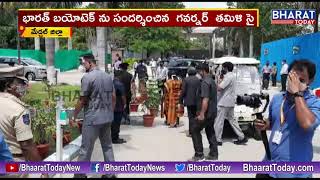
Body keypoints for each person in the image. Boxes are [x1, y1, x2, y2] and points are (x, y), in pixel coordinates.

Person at [254, 59, 320, 178]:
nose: (294, 83)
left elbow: (307, 124)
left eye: (301, 80)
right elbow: (274, 122)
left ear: (310, 81)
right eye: (292, 78)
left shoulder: (314, 103)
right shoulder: (278, 99)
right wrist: (265, 124)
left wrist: (297, 93)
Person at [71, 54, 116, 178]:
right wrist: (110, 113)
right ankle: (111, 174)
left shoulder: (87, 78)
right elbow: (113, 97)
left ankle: (80, 175)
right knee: (107, 146)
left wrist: (74, 115)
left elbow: (82, 100)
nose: (82, 65)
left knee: (86, 148)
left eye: (83, 63)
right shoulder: (108, 76)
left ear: (90, 62)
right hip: (107, 117)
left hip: (93, 119)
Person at [0, 65, 48, 178]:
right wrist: (42, 171)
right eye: (21, 83)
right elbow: (26, 145)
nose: (25, 86)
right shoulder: (19, 110)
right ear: (9, 86)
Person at [190, 63, 218, 161]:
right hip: (213, 111)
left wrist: (202, 114)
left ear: (203, 71)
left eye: (199, 71)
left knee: (194, 129)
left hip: (206, 113)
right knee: (210, 130)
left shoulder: (205, 82)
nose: (198, 73)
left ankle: (199, 154)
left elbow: (205, 99)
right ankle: (214, 154)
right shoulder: (212, 80)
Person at [215, 62, 248, 146]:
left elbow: (219, 87)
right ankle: (242, 137)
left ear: (226, 68)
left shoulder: (228, 77)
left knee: (219, 121)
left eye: (223, 68)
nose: (222, 69)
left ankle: (217, 139)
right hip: (230, 102)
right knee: (232, 120)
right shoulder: (233, 76)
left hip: (223, 102)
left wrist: (217, 82)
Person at [179, 67, 201, 137]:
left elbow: (183, 91)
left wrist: (180, 100)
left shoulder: (186, 80)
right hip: (197, 101)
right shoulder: (198, 80)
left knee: (191, 117)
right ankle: (196, 130)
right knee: (196, 116)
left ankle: (192, 132)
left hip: (189, 101)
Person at [112, 71, 127, 144]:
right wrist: (125, 104)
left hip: (110, 107)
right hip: (118, 106)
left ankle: (112, 137)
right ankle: (115, 138)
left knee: (112, 123)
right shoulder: (120, 85)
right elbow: (123, 96)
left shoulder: (110, 83)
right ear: (120, 76)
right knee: (117, 123)